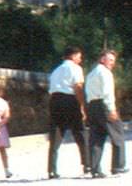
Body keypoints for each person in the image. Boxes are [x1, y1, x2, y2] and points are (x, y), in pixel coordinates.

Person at [47, 45, 90, 178]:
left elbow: (51, 90)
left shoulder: (55, 70)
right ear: (73, 56)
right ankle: (87, 164)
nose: (80, 59)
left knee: (56, 135)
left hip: (55, 101)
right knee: (80, 133)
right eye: (79, 56)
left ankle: (52, 169)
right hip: (70, 100)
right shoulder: (76, 68)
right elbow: (77, 87)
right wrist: (82, 105)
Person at [85, 50, 127, 178]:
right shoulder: (105, 73)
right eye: (110, 60)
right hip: (104, 105)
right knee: (118, 134)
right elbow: (107, 92)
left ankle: (95, 169)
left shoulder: (91, 73)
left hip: (92, 106)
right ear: (102, 59)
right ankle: (118, 166)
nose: (112, 63)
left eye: (113, 61)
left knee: (96, 138)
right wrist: (112, 109)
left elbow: (87, 91)